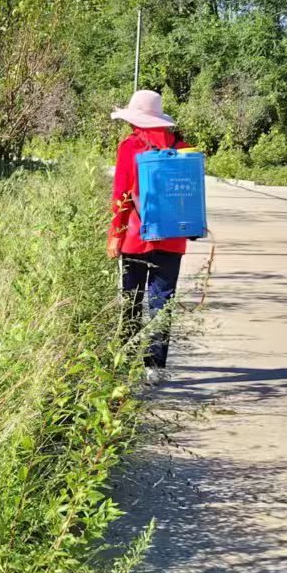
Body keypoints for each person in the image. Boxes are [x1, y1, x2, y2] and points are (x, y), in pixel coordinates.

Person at [108, 89, 189, 370]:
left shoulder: (130, 146)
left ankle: (125, 359)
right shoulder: (182, 148)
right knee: (162, 303)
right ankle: (154, 367)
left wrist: (115, 236)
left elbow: (121, 196)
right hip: (173, 238)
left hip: (135, 237)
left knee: (131, 299)